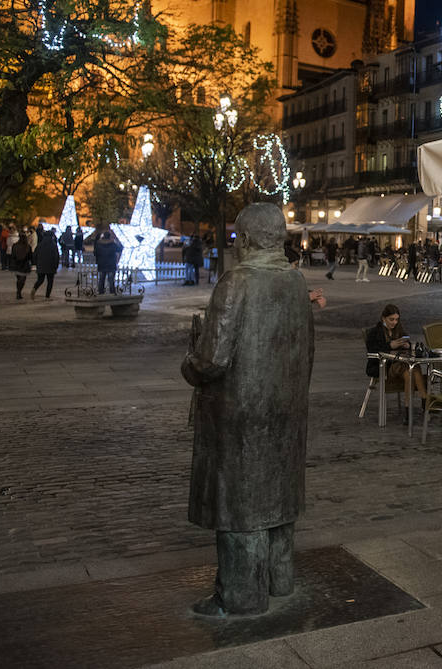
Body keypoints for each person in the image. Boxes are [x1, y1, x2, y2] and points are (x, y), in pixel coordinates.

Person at [181, 203, 314, 617]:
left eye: (239, 236)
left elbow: (212, 360)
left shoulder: (235, 282)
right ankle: (278, 579)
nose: (237, 244)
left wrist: (189, 362)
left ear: (251, 239)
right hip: (285, 410)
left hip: (240, 415)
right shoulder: (296, 283)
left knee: (240, 505)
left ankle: (239, 595)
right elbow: (307, 350)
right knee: (277, 498)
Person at [365, 303, 426, 403]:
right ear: (383, 318)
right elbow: (373, 352)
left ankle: (409, 408)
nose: (394, 322)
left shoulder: (398, 330)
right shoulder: (375, 332)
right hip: (383, 366)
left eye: (396, 319)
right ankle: (425, 400)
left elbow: (408, 343)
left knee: (409, 372)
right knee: (412, 368)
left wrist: (407, 345)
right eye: (391, 319)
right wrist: (390, 346)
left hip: (400, 364)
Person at [32, 226, 61, 299]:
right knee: (50, 282)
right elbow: (56, 256)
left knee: (40, 280)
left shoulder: (40, 245)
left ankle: (34, 289)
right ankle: (47, 296)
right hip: (51, 266)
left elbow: (35, 254)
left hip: (41, 265)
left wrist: (36, 263)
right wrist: (56, 266)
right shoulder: (54, 245)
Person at [94, 227, 122, 293]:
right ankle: (112, 293)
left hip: (101, 264)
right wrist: (116, 240)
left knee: (101, 279)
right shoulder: (113, 244)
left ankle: (101, 292)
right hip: (111, 264)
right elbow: (120, 248)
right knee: (111, 280)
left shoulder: (99, 244)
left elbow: (95, 253)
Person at [9, 230, 34, 298]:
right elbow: (30, 257)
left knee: (19, 279)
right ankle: (19, 292)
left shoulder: (15, 246)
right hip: (24, 265)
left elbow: (13, 256)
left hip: (16, 265)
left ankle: (18, 292)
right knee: (22, 280)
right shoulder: (28, 247)